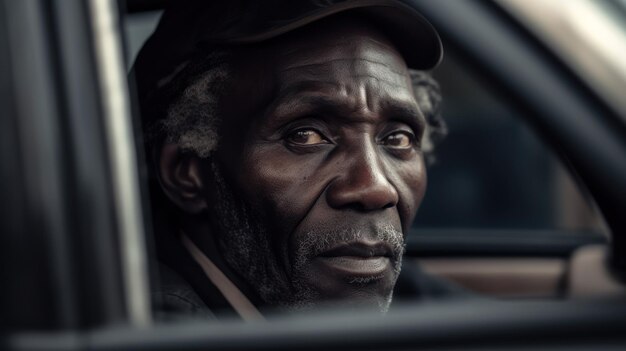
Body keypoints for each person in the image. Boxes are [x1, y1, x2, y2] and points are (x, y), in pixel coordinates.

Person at [133, 0, 453, 321]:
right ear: (185, 172)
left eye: (397, 138)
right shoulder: (155, 326)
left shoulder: (377, 276)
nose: (375, 188)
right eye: (305, 136)